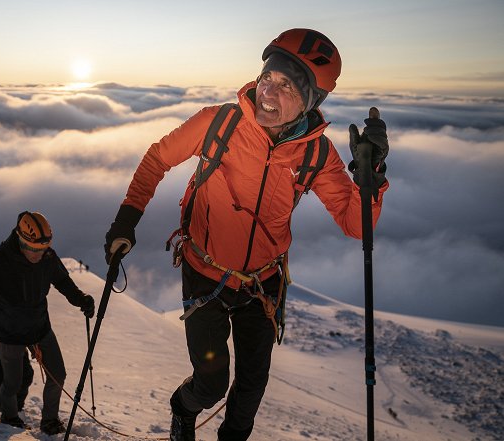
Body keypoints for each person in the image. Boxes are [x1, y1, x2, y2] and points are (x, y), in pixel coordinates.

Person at [104, 28, 389, 441]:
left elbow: (355, 224)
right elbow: (157, 159)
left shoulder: (315, 154)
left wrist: (371, 179)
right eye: (267, 78)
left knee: (251, 390)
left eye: (286, 85)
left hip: (262, 284)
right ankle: (182, 407)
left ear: (311, 101)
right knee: (211, 382)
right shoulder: (218, 123)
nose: (267, 93)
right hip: (205, 273)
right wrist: (125, 222)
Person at [0, 211, 96, 435]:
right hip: (8, 334)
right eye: (35, 249)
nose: (40, 254)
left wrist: (81, 300)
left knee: (58, 375)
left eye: (43, 249)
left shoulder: (47, 257)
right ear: (21, 240)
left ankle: (49, 421)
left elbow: (62, 281)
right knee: (13, 383)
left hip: (39, 328)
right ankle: (10, 416)